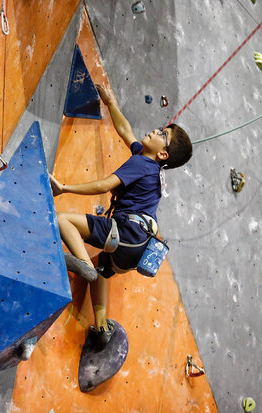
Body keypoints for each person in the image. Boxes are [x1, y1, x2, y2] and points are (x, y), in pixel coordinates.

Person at [50, 84, 193, 345]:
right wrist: (111, 102)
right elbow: (126, 130)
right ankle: (102, 327)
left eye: (163, 133)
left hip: (126, 234)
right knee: (102, 272)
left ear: (162, 153)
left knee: (62, 221)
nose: (156, 130)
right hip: (140, 249)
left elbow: (105, 184)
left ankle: (83, 265)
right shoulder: (150, 163)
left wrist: (64, 188)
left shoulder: (141, 164)